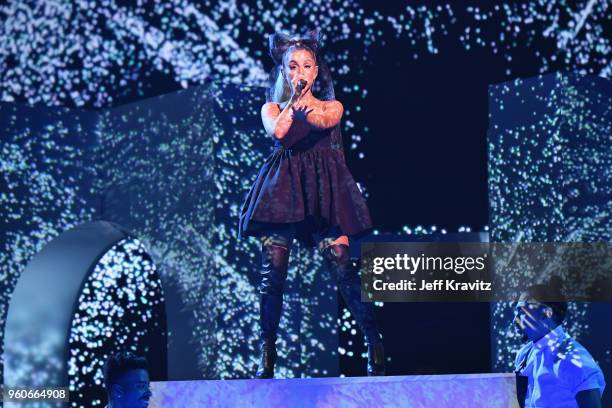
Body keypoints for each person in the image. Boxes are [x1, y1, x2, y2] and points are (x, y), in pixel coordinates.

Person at [238, 28, 384, 378]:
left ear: (316, 72)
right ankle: (267, 354)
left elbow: (322, 120)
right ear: (285, 71)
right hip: (281, 193)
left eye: (306, 66)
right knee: (273, 274)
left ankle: (374, 343)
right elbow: (280, 132)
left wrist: (305, 105)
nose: (300, 72)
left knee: (343, 269)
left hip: (322, 194)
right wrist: (291, 100)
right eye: (293, 66)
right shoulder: (272, 107)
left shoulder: (332, 106)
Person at [513, 277, 606, 407]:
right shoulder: (524, 354)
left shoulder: (574, 359)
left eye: (522, 312)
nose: (515, 320)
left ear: (547, 313)